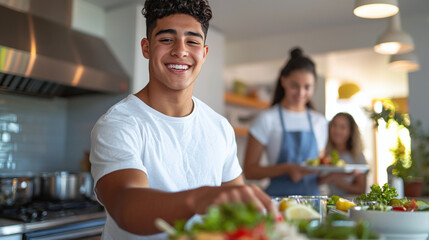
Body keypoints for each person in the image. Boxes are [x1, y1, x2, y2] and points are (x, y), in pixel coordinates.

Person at [89, 1, 274, 239]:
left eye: (193, 41)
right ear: (146, 48)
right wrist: (198, 198)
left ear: (204, 53)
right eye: (166, 39)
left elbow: (239, 205)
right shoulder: (119, 123)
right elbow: (126, 205)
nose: (180, 50)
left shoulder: (219, 127)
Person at [243, 47, 328, 197]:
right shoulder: (267, 119)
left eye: (307, 87)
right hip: (277, 203)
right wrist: (286, 168)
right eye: (295, 86)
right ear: (283, 81)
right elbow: (249, 171)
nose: (301, 93)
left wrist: (339, 176)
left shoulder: (319, 122)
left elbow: (318, 170)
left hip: (313, 203)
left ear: (314, 86)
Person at [319, 112, 367, 196]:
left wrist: (336, 179)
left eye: (343, 127)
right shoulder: (321, 153)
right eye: (334, 125)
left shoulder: (357, 156)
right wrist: (330, 177)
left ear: (351, 131)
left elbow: (361, 189)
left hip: (347, 206)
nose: (337, 131)